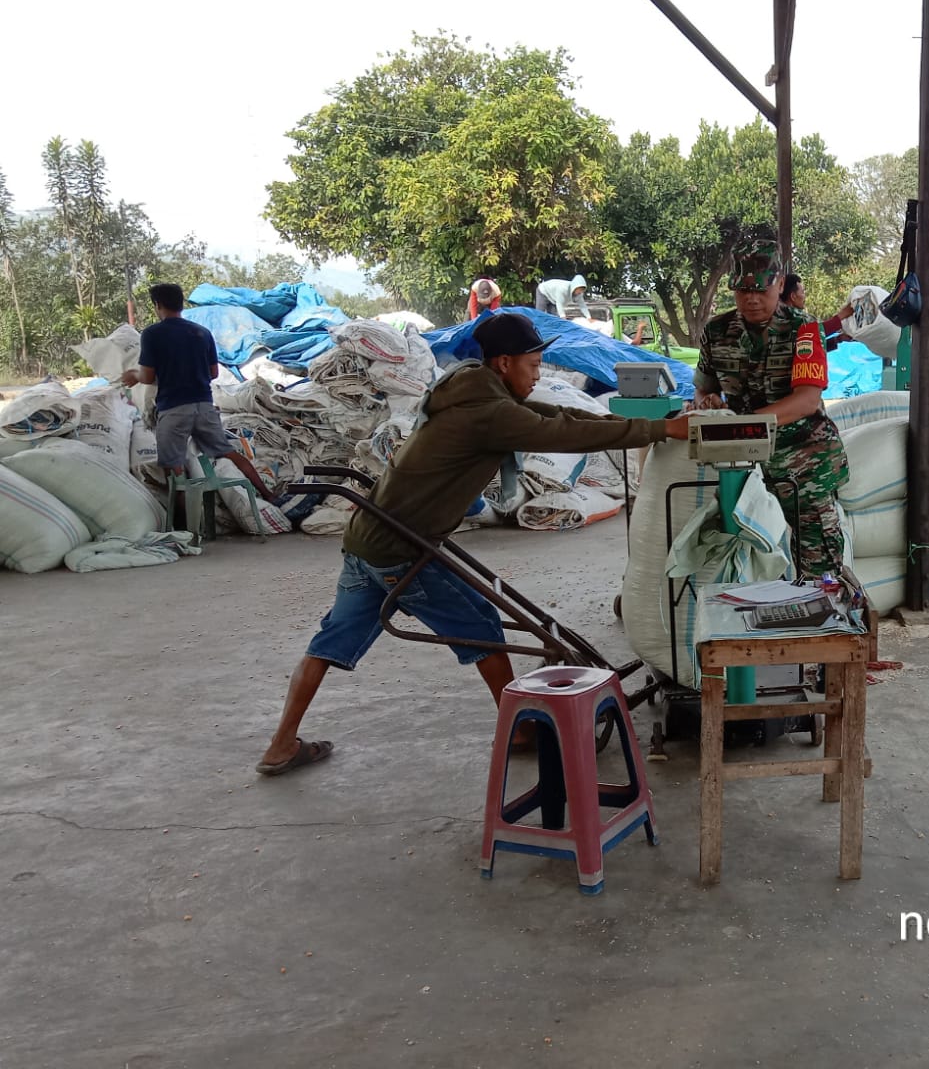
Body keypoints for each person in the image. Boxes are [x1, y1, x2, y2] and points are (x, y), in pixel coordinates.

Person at [255, 312, 689, 776]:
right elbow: (561, 434)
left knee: (328, 642)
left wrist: (646, 421)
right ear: (504, 362)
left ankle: (281, 744)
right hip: (402, 549)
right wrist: (660, 431)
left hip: (369, 540)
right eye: (534, 364)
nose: (538, 373)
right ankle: (520, 731)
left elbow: (557, 415)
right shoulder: (489, 412)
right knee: (483, 627)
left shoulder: (471, 385)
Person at [693, 242, 849, 578]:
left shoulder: (804, 329)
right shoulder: (716, 332)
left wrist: (744, 423)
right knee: (742, 555)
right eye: (742, 290)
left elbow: (807, 400)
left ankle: (819, 624)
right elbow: (704, 387)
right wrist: (709, 401)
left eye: (760, 290)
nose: (751, 299)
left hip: (804, 462)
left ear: (780, 285)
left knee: (818, 562)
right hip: (741, 464)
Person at [119, 283, 277, 503]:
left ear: (158, 305)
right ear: (181, 303)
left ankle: (185, 524)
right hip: (204, 405)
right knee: (228, 452)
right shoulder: (202, 333)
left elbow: (147, 377)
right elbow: (213, 373)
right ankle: (267, 494)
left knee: (173, 466)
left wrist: (134, 375)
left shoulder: (152, 334)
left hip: (173, 409)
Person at [781, 273, 854, 340]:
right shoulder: (793, 319)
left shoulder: (783, 315)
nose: (805, 296)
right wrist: (842, 315)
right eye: (803, 292)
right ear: (793, 296)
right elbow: (816, 332)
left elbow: (808, 344)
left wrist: (838, 339)